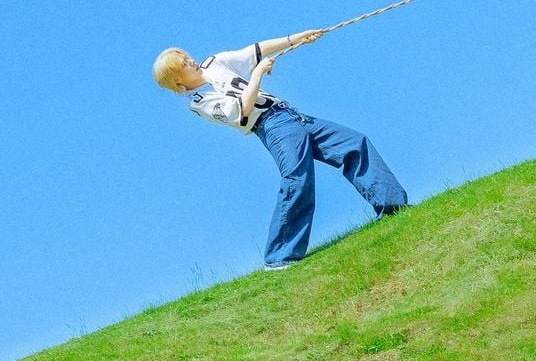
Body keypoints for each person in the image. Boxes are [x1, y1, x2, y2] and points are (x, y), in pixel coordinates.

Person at [152, 29, 409, 271]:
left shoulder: (215, 62)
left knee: (354, 143)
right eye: (184, 63)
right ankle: (279, 257)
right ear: (176, 79)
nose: (191, 60)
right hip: (271, 126)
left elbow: (255, 51)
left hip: (291, 115)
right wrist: (258, 74)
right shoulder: (198, 102)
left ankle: (392, 206)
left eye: (187, 57)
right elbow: (242, 109)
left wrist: (297, 38)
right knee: (298, 178)